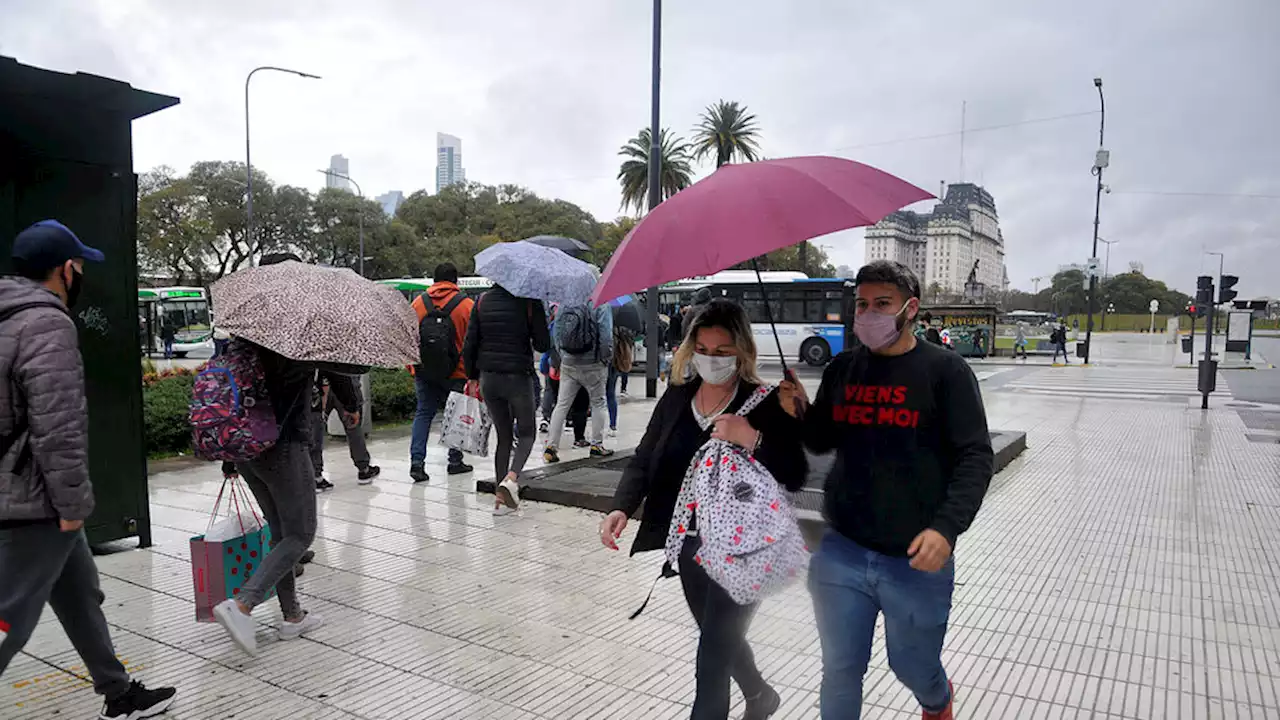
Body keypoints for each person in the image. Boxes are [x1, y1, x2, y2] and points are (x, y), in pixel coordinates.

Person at [784, 260, 993, 720]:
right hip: (842, 550)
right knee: (840, 669)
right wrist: (800, 408)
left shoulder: (946, 371)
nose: (868, 314)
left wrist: (946, 528)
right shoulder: (843, 368)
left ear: (910, 308)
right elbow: (822, 441)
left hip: (916, 558)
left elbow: (976, 455)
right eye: (861, 304)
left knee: (912, 666)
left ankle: (937, 701)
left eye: (882, 304)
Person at [0, 220, 178, 719]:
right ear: (63, 269)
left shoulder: (6, 315)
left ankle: (118, 694)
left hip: (19, 484)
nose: (80, 274)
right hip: (35, 497)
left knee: (80, 592)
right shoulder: (47, 322)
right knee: (8, 617)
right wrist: (74, 505)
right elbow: (58, 427)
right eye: (78, 265)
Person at [600, 299, 805, 720]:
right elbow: (644, 457)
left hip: (745, 548)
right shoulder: (678, 398)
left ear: (743, 351)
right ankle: (761, 695)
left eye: (723, 351)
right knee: (719, 638)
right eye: (704, 350)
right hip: (689, 546)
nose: (712, 360)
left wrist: (753, 438)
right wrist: (622, 506)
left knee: (711, 654)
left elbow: (797, 471)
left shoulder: (765, 401)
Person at [212, 252, 363, 657]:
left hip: (246, 450)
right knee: (300, 534)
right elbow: (348, 367)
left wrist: (230, 457)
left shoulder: (242, 331)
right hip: (283, 445)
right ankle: (241, 604)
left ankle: (292, 615)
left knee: (280, 534)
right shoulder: (297, 339)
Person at [462, 282, 549, 514]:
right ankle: (511, 479)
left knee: (503, 436)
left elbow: (469, 343)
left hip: (489, 378)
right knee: (527, 432)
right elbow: (544, 343)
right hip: (518, 377)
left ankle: (500, 501)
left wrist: (472, 377)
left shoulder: (481, 301)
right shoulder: (530, 302)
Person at [409, 263, 475, 483]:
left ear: (434, 280)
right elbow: (473, 342)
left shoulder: (418, 304)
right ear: (455, 281)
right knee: (456, 415)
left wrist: (412, 367)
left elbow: (409, 338)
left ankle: (417, 463)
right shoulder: (466, 305)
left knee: (423, 414)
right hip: (456, 372)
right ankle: (455, 461)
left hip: (424, 370)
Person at [542, 301, 614, 463]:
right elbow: (605, 334)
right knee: (598, 403)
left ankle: (551, 446)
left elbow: (557, 333)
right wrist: (605, 358)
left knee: (562, 405)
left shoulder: (565, 303)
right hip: (593, 363)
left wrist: (563, 356)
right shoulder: (601, 304)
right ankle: (596, 445)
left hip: (569, 363)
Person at [309, 372, 379, 489]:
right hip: (345, 381)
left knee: (316, 427)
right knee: (353, 427)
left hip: (321, 384)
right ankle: (363, 469)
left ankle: (316, 475)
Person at [606, 326, 634, 436]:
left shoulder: (606, 326)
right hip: (616, 362)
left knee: (597, 398)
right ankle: (613, 425)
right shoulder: (623, 328)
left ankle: (597, 428)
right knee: (611, 394)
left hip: (605, 363)